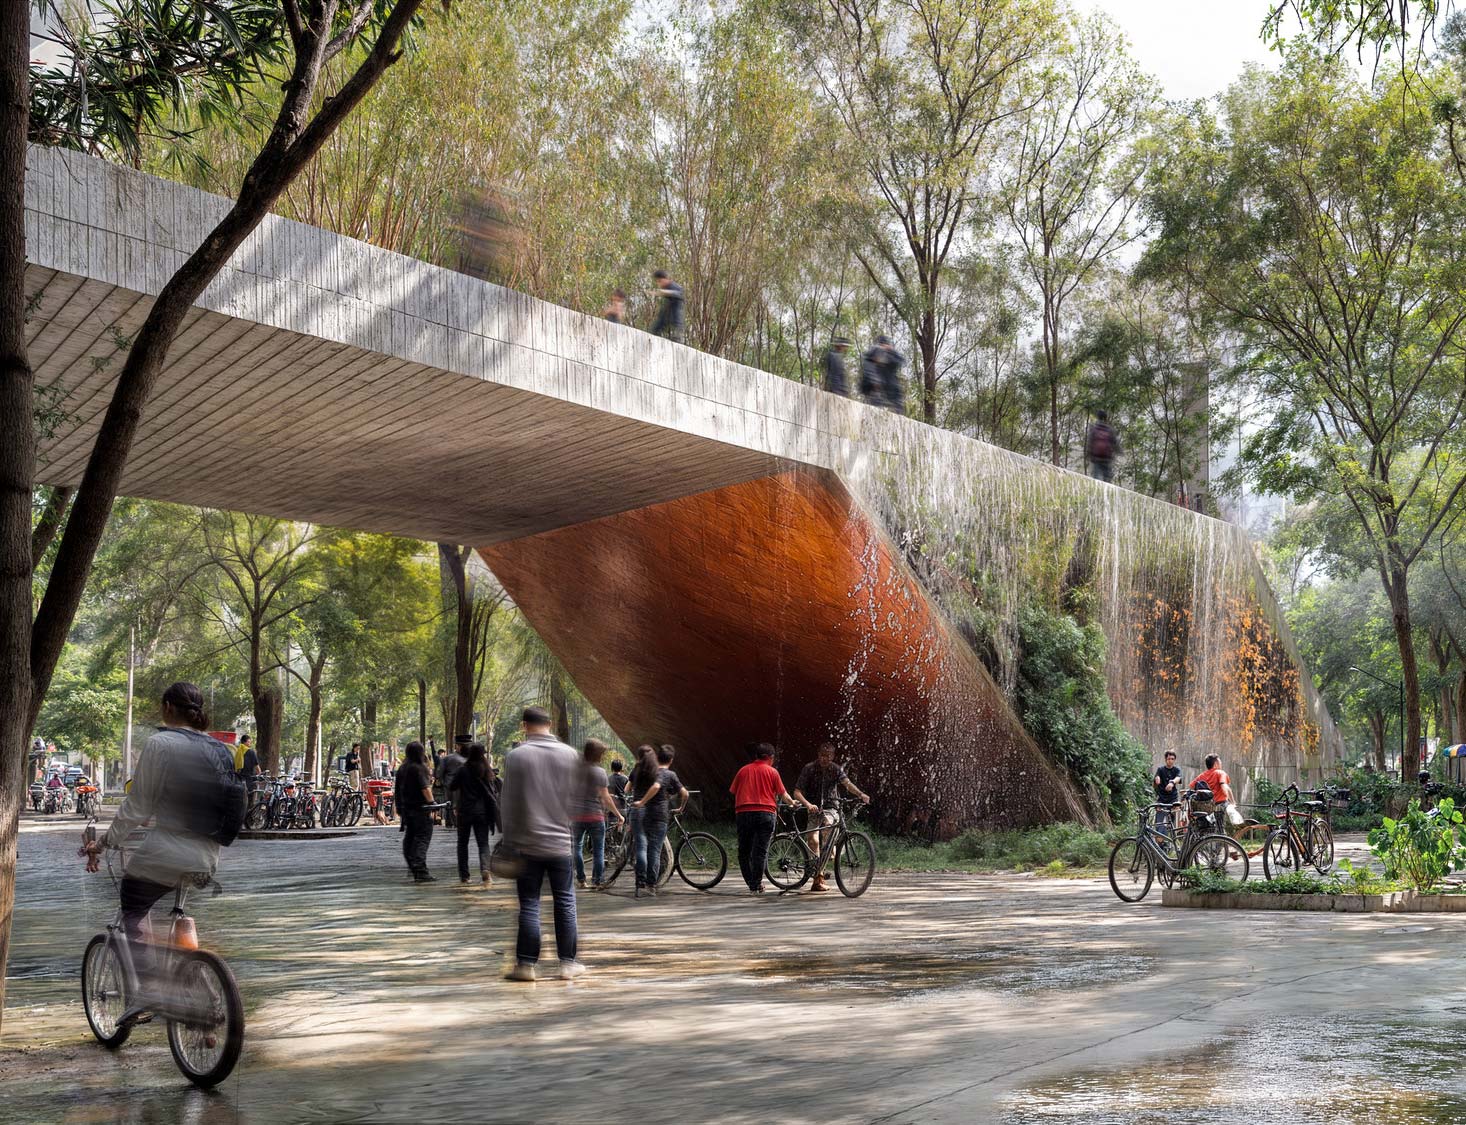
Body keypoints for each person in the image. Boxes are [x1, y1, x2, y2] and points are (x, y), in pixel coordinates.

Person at [81, 683, 233, 1001]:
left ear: (167, 707)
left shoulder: (160, 743)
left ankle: (149, 988)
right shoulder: (222, 749)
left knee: (133, 901)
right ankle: (201, 983)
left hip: (168, 849)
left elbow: (138, 806)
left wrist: (105, 843)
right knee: (178, 908)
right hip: (208, 855)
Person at [501, 706, 581, 982]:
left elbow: (509, 803)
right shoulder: (571, 755)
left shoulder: (517, 756)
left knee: (530, 904)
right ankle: (567, 964)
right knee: (565, 901)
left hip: (528, 844)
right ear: (550, 724)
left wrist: (509, 840)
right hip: (561, 844)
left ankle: (525, 966)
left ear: (525, 726)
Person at [792, 743, 870, 893]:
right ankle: (817, 877)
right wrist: (808, 805)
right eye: (822, 755)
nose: (824, 758)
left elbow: (847, 784)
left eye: (827, 756)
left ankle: (831, 848)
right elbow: (797, 792)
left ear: (832, 756)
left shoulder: (835, 769)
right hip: (814, 809)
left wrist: (860, 794)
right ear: (818, 754)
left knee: (828, 823)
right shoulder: (809, 768)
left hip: (831, 807)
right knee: (812, 840)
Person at [729, 742, 794, 895]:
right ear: (771, 758)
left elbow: (733, 790)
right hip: (766, 814)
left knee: (744, 852)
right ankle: (756, 884)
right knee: (760, 851)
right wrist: (793, 803)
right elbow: (783, 795)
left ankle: (752, 884)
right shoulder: (772, 772)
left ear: (756, 756)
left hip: (743, 813)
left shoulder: (743, 771)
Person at [571, 739, 625, 890]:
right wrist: (619, 815)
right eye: (601, 754)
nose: (602, 757)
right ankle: (597, 881)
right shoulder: (600, 772)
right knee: (598, 850)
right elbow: (606, 797)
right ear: (596, 755)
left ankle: (581, 880)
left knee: (576, 848)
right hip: (595, 816)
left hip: (576, 816)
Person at [448, 743, 499, 886]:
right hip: (481, 812)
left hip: (464, 811)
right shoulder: (487, 771)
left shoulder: (462, 770)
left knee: (462, 844)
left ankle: (464, 876)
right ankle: (486, 871)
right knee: (483, 843)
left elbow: (452, 786)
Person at [395, 742, 436, 883]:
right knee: (422, 838)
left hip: (407, 809)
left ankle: (413, 866)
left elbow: (397, 790)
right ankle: (420, 869)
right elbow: (425, 788)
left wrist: (399, 807)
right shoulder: (419, 768)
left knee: (410, 837)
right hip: (420, 809)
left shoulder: (402, 768)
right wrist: (432, 804)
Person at [625, 745, 660, 898]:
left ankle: (640, 884)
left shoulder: (636, 770)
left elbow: (627, 789)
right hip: (653, 811)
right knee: (654, 849)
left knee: (641, 847)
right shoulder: (657, 771)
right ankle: (651, 885)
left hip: (638, 810)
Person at [860, 335, 906, 412]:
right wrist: (874, 381)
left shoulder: (890, 355)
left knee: (896, 402)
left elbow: (901, 361)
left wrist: (890, 351)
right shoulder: (872, 355)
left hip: (889, 386)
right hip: (875, 387)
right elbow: (868, 366)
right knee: (876, 400)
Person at [437, 736, 468, 828]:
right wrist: (446, 784)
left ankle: (455, 823)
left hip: (462, 786)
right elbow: (440, 773)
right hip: (451, 785)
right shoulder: (447, 758)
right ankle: (451, 822)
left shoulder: (470, 758)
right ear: (457, 746)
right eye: (462, 745)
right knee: (450, 805)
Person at [648, 270, 685, 343]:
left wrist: (664, 292)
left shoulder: (674, 286)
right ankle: (654, 333)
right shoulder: (666, 287)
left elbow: (679, 293)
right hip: (668, 310)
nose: (659, 284)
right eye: (658, 282)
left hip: (675, 310)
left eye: (660, 281)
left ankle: (678, 336)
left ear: (665, 279)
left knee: (675, 315)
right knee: (661, 320)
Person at [1085, 409, 1120, 483]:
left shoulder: (1094, 428)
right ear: (1105, 418)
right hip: (1107, 459)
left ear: (1098, 417)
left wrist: (1088, 455)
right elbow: (1115, 443)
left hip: (1096, 458)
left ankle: (1097, 493)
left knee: (1096, 481)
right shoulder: (1109, 429)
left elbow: (1090, 443)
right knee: (1107, 480)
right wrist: (1119, 452)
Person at [1152, 750, 1182, 834]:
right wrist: (1156, 779)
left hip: (1172, 800)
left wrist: (1172, 783)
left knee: (1170, 823)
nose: (1171, 761)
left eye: (1172, 759)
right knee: (1159, 824)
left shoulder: (1177, 769)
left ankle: (1170, 842)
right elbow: (1156, 779)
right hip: (1161, 800)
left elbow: (1178, 778)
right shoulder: (1160, 769)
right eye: (1169, 759)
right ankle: (1160, 843)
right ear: (1166, 759)